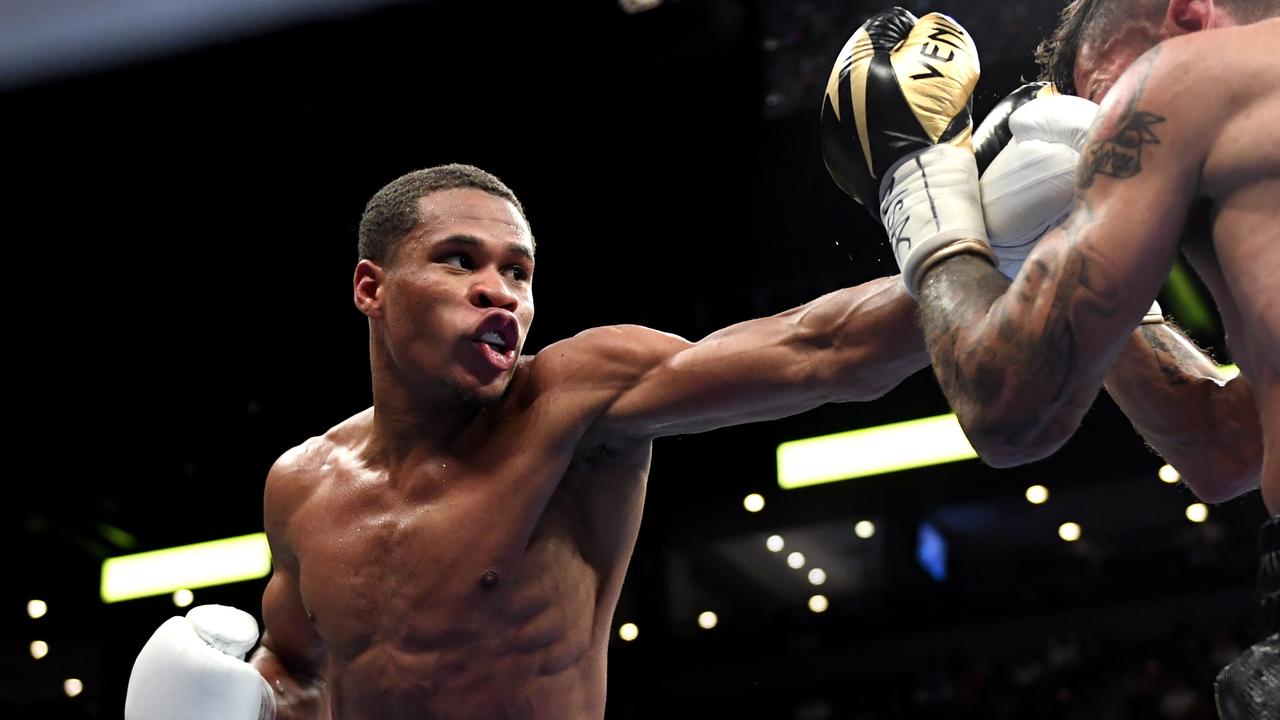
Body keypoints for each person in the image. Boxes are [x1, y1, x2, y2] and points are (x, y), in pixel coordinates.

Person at [124, 163, 933, 720]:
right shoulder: (301, 485)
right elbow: (297, 668)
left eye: (519, 272)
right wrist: (247, 700)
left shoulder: (574, 402)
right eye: (459, 261)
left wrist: (962, 249)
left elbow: (821, 350)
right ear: (371, 288)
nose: (499, 293)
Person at [816, 3, 1277, 716]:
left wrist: (921, 187)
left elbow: (1010, 412)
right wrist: (1103, 281)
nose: (1099, 164)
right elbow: (1229, 449)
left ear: (1186, 13)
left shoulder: (1189, 85)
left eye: (1112, 100)